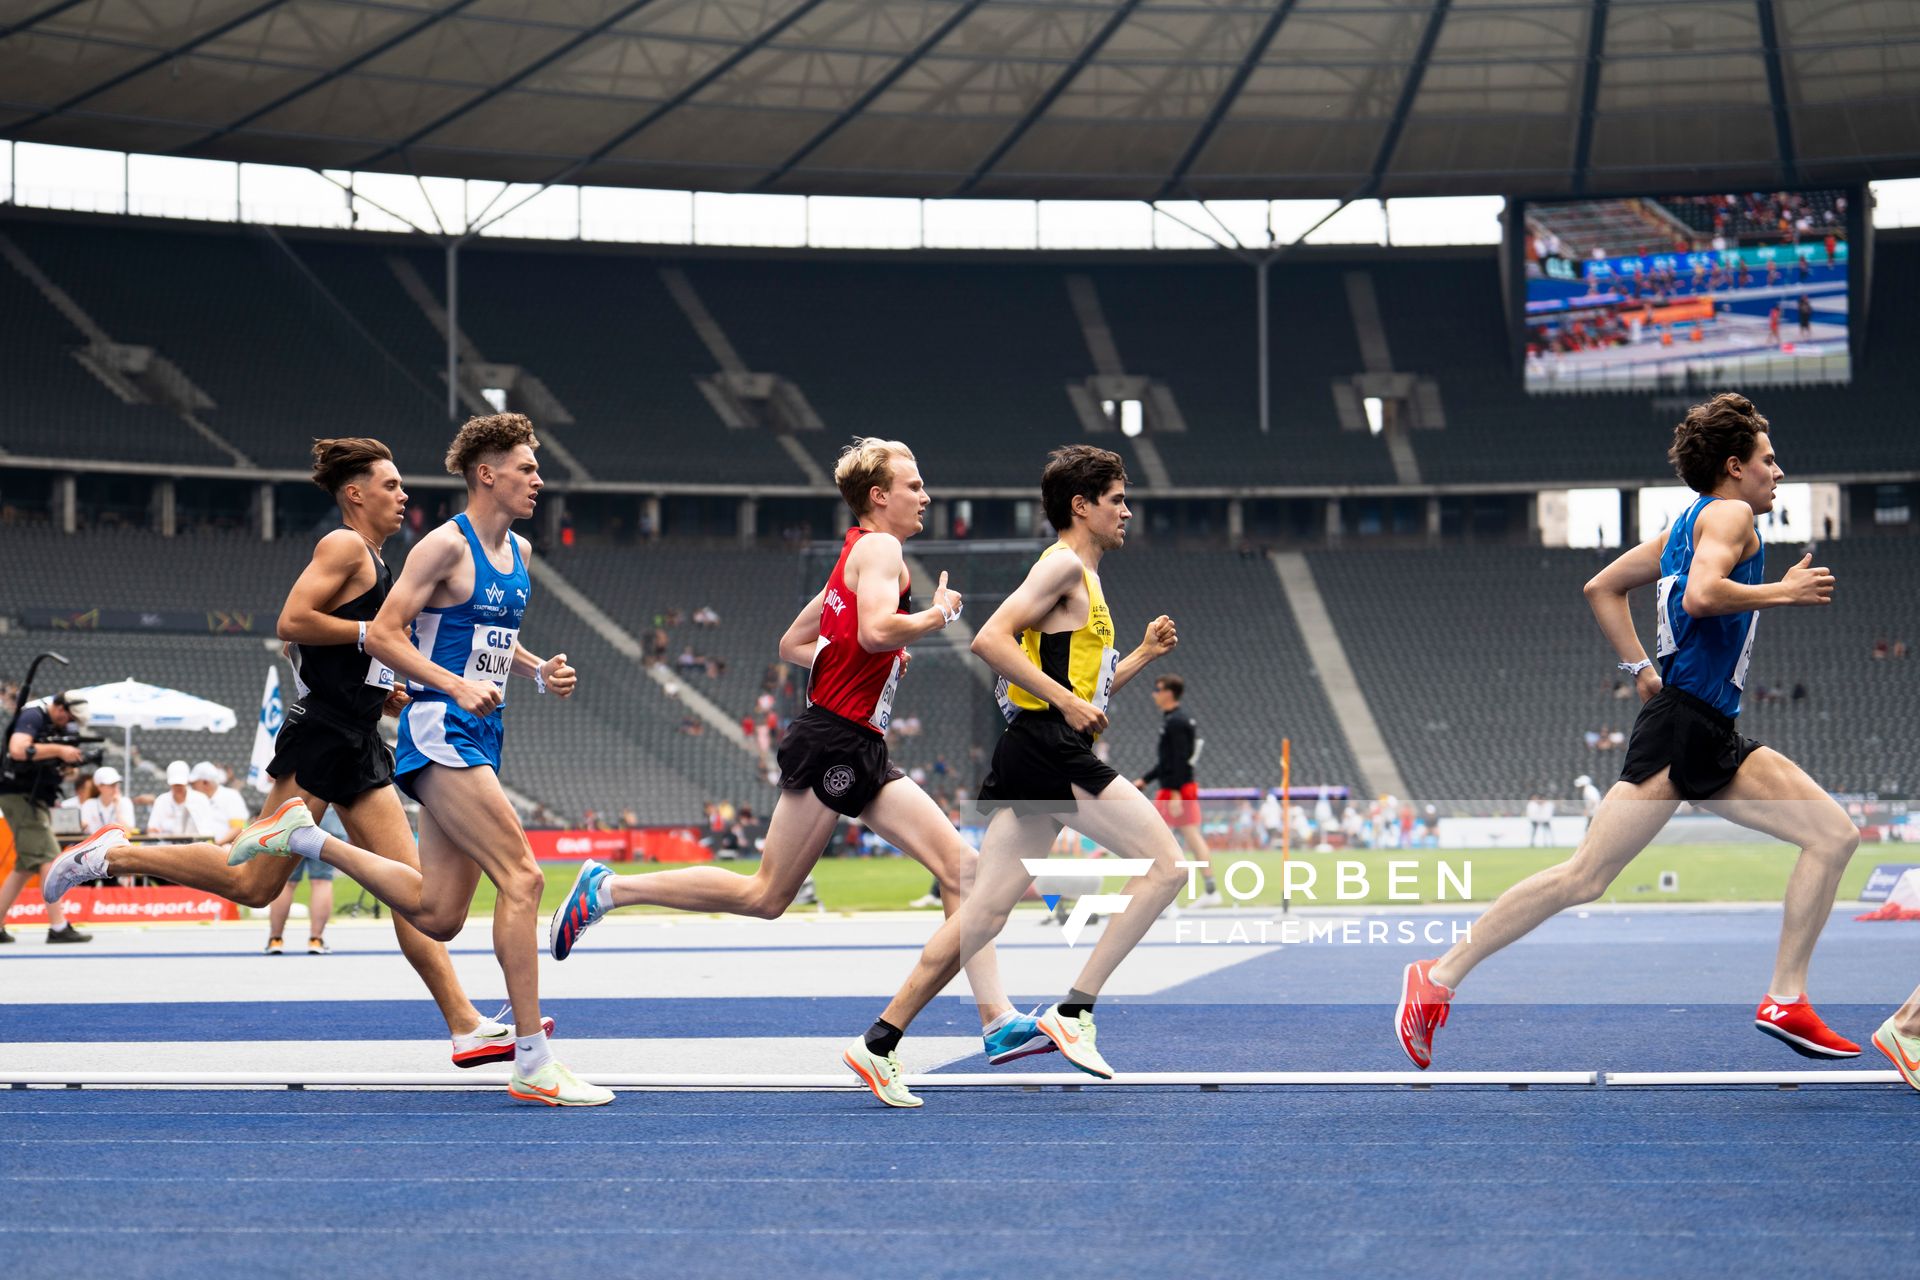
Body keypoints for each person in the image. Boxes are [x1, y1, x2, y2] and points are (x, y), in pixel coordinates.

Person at [547, 438, 1049, 1069]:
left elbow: (794, 643)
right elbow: (872, 631)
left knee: (964, 872)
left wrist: (869, 655)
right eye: (914, 485)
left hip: (861, 742)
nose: (925, 496)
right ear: (879, 495)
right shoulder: (882, 549)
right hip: (835, 740)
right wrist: (933, 616)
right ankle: (609, 889)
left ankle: (997, 1019)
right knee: (766, 895)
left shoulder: (853, 556)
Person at [1396, 393, 1860, 1068]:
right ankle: (1436, 977)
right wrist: (1781, 593)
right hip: (1682, 730)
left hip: (1709, 727)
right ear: (1735, 466)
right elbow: (1702, 596)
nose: (1778, 471)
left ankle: (1786, 998)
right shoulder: (1729, 515)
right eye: (1768, 459)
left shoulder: (1687, 525)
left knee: (1833, 833)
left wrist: (1641, 669)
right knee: (1585, 876)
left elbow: (1601, 587)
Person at [42, 436, 526, 1070]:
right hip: (322, 733)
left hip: (358, 734)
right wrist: (371, 637)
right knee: (253, 881)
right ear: (355, 494)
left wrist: (384, 689)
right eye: (390, 485)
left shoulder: (378, 561)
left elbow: (338, 655)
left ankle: (464, 1024)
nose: (403, 495)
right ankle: (112, 852)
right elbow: (292, 621)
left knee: (415, 893)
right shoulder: (344, 545)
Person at [231, 415, 611, 1106]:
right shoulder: (442, 546)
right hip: (440, 728)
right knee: (522, 879)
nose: (539, 480)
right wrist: (452, 684)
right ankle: (533, 1060)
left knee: (438, 914)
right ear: (487, 474)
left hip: (480, 728)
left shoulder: (520, 552)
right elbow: (381, 633)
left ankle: (309, 838)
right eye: (527, 468)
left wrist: (533, 671)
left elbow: (489, 637)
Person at [841, 445, 1184, 1106]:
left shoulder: (1083, 577)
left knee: (985, 912)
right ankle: (1075, 1011)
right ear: (1081, 506)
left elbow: (1088, 695)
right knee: (1167, 867)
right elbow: (990, 640)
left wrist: (1137, 654)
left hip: (1037, 746)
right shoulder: (1062, 567)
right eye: (1117, 500)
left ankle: (879, 1041)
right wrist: (1062, 702)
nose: (1127, 512)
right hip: (1047, 746)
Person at [0, 690, 93, 943]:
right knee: (50, 859)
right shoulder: (33, 715)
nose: (69, 723)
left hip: (33, 798)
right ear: (60, 707)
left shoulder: (53, 726)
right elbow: (18, 749)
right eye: (69, 717)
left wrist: (64, 763)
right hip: (19, 796)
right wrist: (59, 750)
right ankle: (58, 927)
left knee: (25, 866)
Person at [1134, 674, 1217, 905]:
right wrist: (1146, 779)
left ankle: (1167, 891)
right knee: (1185, 838)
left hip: (1176, 789)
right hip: (1175, 787)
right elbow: (1168, 761)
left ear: (1169, 692)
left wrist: (1177, 793)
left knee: (1159, 838)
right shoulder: (1174, 720)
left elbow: (1180, 759)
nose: (1154, 694)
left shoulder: (1177, 722)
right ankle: (1208, 890)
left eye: (1157, 689)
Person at [266, 806, 344, 955]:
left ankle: (275, 939)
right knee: (322, 881)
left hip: (292, 814)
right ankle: (316, 940)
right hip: (327, 814)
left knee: (287, 882)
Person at [145, 760, 218, 839]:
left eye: (181, 784)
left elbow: (207, 829)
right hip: (167, 846)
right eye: (175, 785)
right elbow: (152, 829)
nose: (178, 787)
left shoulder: (200, 799)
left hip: (194, 847)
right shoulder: (161, 800)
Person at [190, 761, 248, 845]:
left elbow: (237, 828)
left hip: (224, 849)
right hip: (201, 848)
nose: (192, 787)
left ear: (205, 782)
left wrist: (215, 846)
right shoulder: (195, 799)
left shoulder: (231, 796)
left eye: (193, 783)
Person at [79, 766, 135, 834]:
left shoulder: (125, 802)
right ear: (99, 787)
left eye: (116, 784)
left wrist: (117, 808)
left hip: (117, 843)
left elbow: (128, 831)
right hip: (95, 843)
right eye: (111, 785)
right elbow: (83, 829)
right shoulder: (89, 804)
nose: (115, 788)